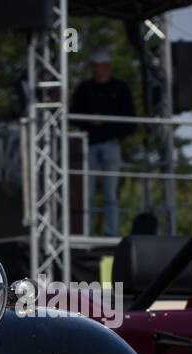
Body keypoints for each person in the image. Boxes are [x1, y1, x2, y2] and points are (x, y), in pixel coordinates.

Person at [71, 50, 135, 236]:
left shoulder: (120, 88)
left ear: (107, 66)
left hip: (111, 146)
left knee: (110, 193)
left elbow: (130, 118)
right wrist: (88, 122)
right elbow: (72, 115)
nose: (98, 69)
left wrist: (117, 135)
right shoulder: (84, 88)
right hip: (88, 145)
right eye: (95, 65)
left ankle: (111, 233)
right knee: (87, 194)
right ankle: (86, 233)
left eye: (101, 65)